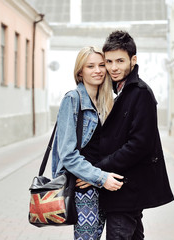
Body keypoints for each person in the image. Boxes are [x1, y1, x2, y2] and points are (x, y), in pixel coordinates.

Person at [94, 30, 174, 239]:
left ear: (133, 60)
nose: (113, 67)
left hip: (127, 190)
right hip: (122, 188)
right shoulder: (116, 91)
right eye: (109, 61)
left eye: (120, 61)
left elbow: (139, 144)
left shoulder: (140, 93)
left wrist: (97, 171)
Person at [51, 46, 124, 240]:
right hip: (85, 188)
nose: (98, 70)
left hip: (103, 184)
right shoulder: (72, 100)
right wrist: (98, 177)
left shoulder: (107, 102)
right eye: (90, 66)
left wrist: (102, 176)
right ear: (80, 72)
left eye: (101, 65)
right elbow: (67, 154)